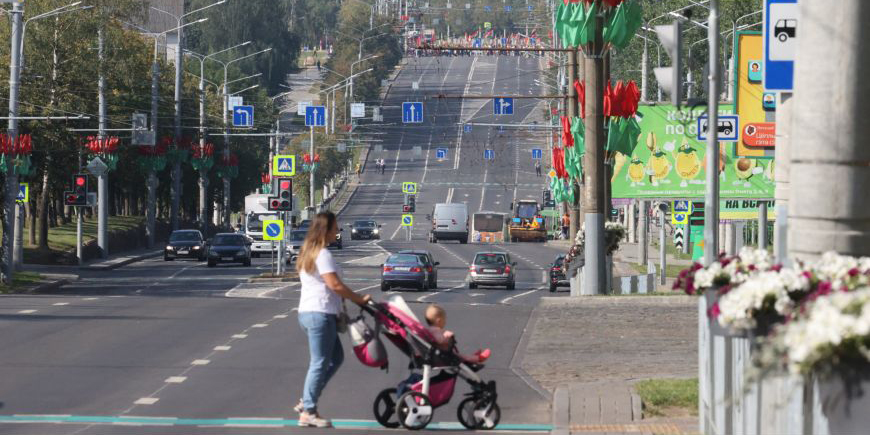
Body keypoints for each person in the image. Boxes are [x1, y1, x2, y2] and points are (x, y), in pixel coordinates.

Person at [294, 212, 371, 428]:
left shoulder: (308, 252)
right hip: (320, 314)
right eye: (335, 227)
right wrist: (360, 299)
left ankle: (307, 399)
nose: (337, 231)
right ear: (325, 230)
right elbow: (334, 285)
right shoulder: (322, 254)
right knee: (319, 363)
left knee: (336, 358)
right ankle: (308, 410)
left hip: (310, 312)